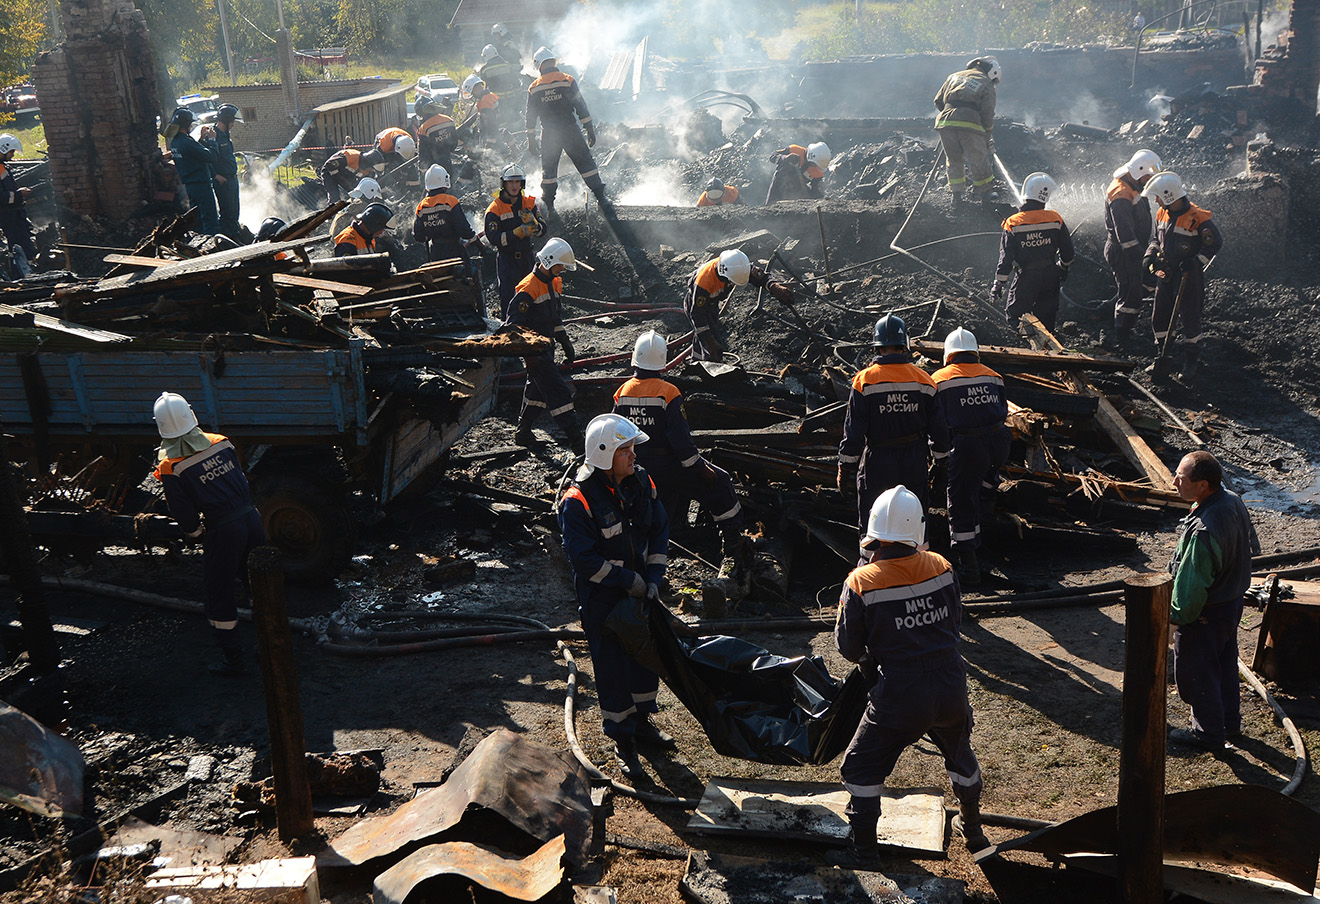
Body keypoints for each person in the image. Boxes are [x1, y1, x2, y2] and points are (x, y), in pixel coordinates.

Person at [833, 486, 989, 866]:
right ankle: (976, 835)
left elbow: (848, 647)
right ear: (917, 530)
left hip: (902, 692)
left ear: (873, 532)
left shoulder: (861, 581)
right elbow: (955, 621)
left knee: (860, 766)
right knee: (959, 753)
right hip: (951, 683)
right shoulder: (942, 566)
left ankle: (865, 852)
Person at [559, 413, 672, 781]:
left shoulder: (641, 482)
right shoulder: (578, 501)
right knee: (612, 670)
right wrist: (629, 581)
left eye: (632, 448)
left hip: (640, 593)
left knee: (643, 661)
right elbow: (585, 562)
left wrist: (653, 578)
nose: (634, 456)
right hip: (602, 602)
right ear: (605, 456)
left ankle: (641, 726)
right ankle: (624, 743)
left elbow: (659, 530)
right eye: (626, 450)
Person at [613, 330, 752, 605]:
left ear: (635, 360)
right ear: (663, 362)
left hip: (636, 467)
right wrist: (700, 468)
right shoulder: (669, 392)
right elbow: (681, 441)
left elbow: (616, 434)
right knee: (720, 482)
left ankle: (649, 570)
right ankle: (733, 541)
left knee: (646, 518)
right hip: (669, 465)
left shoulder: (621, 392)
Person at [152, 392, 266, 675]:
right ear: (192, 416)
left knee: (219, 593)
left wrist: (196, 534)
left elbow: (185, 516)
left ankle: (232, 659)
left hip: (224, 530)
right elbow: (240, 479)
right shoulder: (221, 442)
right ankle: (269, 642)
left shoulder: (171, 466)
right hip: (252, 518)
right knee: (259, 583)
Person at [1167, 451, 1258, 752]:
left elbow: (1191, 589)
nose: (1174, 481)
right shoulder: (1231, 499)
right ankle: (1229, 723)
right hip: (1232, 602)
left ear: (1203, 485)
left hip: (1207, 612)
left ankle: (1207, 734)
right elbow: (1251, 545)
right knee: (1224, 666)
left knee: (1198, 670)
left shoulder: (1205, 530)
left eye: (1181, 477)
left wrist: (1175, 617)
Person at [838, 313, 949, 534]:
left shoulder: (864, 380)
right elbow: (939, 430)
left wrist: (845, 467)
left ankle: (872, 564)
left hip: (878, 461)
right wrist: (941, 461)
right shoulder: (924, 380)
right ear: (904, 345)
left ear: (877, 347)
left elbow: (854, 431)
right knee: (915, 517)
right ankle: (917, 563)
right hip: (914, 459)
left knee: (874, 517)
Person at [930, 328, 1011, 584]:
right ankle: (988, 519)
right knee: (985, 483)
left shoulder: (940, 379)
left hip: (969, 444)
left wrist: (938, 458)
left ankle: (970, 567)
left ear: (948, 355)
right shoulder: (994, 376)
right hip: (999, 442)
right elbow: (1003, 409)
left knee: (961, 499)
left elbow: (937, 424)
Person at [505, 237, 584, 455]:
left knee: (537, 390)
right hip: (536, 352)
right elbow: (513, 325)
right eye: (561, 265)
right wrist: (529, 353)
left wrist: (564, 341)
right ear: (549, 262)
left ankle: (523, 432)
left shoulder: (553, 283)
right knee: (558, 391)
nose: (563, 270)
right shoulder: (528, 288)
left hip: (547, 348)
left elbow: (554, 318)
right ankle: (576, 440)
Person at [1142, 172, 1223, 381]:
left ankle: (1191, 362)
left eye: (1158, 196)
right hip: (1165, 274)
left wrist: (1196, 261)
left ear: (1169, 196)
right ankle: (1162, 357)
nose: (1156, 200)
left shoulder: (1198, 219)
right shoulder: (1162, 213)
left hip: (1188, 275)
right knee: (1159, 316)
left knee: (1189, 317)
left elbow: (1214, 243)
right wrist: (1150, 256)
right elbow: (1155, 239)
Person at [526, 46, 612, 215]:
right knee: (586, 163)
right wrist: (589, 127)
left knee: (549, 171)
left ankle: (550, 206)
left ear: (539, 65)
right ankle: (601, 198)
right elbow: (580, 105)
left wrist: (531, 138)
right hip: (570, 130)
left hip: (549, 134)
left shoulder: (534, 88)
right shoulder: (567, 80)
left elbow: (530, 117)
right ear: (553, 61)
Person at [993, 172, 1074, 332]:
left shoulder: (1013, 223)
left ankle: (1028, 344)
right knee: (1047, 318)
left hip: (1027, 278)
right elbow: (1068, 251)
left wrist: (999, 282)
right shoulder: (1055, 219)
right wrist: (1063, 267)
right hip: (1051, 275)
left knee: (1015, 316)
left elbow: (1006, 258)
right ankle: (1047, 348)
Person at [683, 249, 790, 363]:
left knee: (705, 332)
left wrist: (774, 287)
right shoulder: (704, 281)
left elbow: (760, 277)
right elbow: (697, 315)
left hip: (713, 302)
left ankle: (696, 362)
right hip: (696, 304)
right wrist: (710, 342)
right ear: (724, 273)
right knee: (709, 337)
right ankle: (709, 366)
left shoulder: (739, 267)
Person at [1103, 149, 1162, 348]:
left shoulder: (1133, 184)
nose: (1151, 179)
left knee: (1137, 286)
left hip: (1134, 249)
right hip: (1125, 252)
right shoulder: (1121, 194)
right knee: (1130, 294)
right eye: (1149, 175)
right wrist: (1143, 257)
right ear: (1139, 170)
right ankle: (1122, 335)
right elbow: (1125, 236)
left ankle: (1121, 325)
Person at [933, 57, 1000, 206]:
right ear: (991, 72)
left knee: (954, 159)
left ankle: (956, 198)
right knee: (978, 158)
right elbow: (988, 113)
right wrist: (987, 134)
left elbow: (938, 101)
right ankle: (986, 196)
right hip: (970, 123)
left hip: (945, 123)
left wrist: (951, 115)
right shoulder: (987, 83)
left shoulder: (953, 76)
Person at [485, 162, 545, 317]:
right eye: (510, 182)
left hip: (527, 258)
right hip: (507, 261)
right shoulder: (494, 209)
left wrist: (535, 224)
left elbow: (543, 230)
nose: (514, 186)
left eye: (517, 181)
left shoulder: (529, 203)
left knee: (533, 298)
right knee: (509, 300)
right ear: (503, 183)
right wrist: (515, 233)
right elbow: (493, 238)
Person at [414, 164, 477, 272]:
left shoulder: (421, 207)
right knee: (464, 280)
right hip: (454, 252)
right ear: (445, 183)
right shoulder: (451, 201)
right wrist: (480, 246)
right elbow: (464, 230)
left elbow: (419, 236)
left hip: (435, 254)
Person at [167, 107, 219, 234]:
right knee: (210, 219)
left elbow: (193, 153)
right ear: (187, 124)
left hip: (190, 186)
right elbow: (211, 157)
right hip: (201, 185)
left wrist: (201, 139)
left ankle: (198, 245)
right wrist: (212, 140)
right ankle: (212, 249)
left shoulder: (175, 142)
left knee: (197, 220)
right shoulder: (187, 142)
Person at [0, 134, 37, 278]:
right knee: (18, 245)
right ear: (4, 149)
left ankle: (26, 272)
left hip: (15, 214)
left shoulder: (3, 167)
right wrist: (19, 194)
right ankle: (24, 276)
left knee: (22, 243)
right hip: (9, 215)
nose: (13, 155)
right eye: (11, 152)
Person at [207, 103, 242, 239]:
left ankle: (236, 235)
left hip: (233, 179)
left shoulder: (226, 135)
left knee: (235, 212)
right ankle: (228, 239)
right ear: (227, 120)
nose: (233, 124)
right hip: (224, 181)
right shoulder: (212, 136)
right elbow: (208, 158)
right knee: (227, 214)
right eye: (232, 121)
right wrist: (215, 175)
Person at [765, 142, 830, 203]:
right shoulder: (795, 150)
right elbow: (772, 155)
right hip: (780, 183)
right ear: (810, 156)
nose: (814, 166)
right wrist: (785, 158)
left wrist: (822, 200)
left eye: (816, 165)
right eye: (814, 164)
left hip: (798, 191)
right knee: (770, 206)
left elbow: (815, 191)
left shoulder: (817, 172)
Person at [320, 145, 389, 202]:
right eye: (371, 169)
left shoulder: (366, 170)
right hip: (329, 172)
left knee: (355, 194)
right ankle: (331, 214)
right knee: (334, 195)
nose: (371, 171)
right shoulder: (350, 157)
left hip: (345, 174)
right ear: (367, 163)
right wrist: (339, 178)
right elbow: (330, 165)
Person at [416, 96, 459, 176]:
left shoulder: (424, 128)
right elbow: (454, 143)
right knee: (448, 183)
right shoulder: (448, 120)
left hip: (433, 167)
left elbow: (423, 153)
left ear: (422, 112)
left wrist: (422, 170)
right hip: (447, 161)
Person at [461, 75, 501, 147]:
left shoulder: (484, 102)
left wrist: (489, 143)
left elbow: (489, 124)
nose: (473, 96)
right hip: (499, 126)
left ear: (475, 89)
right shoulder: (490, 95)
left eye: (472, 93)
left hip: (493, 134)